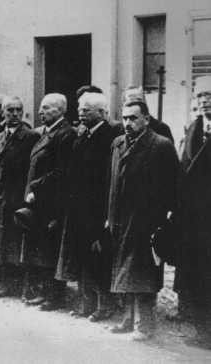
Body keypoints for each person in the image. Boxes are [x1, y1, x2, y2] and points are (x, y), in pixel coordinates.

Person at [108, 100, 179, 341]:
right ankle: (127, 320)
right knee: (123, 272)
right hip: (120, 218)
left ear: (146, 120)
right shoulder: (118, 144)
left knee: (144, 274)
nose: (128, 123)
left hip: (146, 221)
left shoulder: (161, 145)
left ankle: (145, 325)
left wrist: (163, 221)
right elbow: (113, 184)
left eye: (133, 118)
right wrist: (110, 216)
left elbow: (172, 187)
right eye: (125, 118)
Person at [55, 93, 122, 320]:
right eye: (80, 109)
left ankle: (105, 305)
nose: (81, 113)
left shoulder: (110, 137)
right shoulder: (82, 135)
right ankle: (86, 302)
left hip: (97, 208)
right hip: (78, 208)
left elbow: (107, 179)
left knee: (99, 259)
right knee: (82, 257)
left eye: (87, 110)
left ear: (102, 113)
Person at [22, 93, 76, 311]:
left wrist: (36, 187)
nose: (40, 112)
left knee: (51, 249)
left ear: (60, 110)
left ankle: (55, 296)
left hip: (53, 201)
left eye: (46, 108)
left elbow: (61, 172)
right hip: (41, 200)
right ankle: (45, 293)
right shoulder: (48, 132)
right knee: (42, 248)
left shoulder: (65, 134)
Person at [0, 96, 39, 297]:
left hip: (18, 198)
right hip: (0, 198)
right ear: (3, 113)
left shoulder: (30, 136)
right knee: (2, 243)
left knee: (19, 244)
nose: (14, 114)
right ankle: (6, 284)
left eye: (18, 110)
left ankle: (24, 287)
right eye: (10, 111)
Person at [176, 75, 211, 348]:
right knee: (197, 274)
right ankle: (202, 330)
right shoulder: (192, 129)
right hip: (193, 217)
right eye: (200, 96)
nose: (204, 100)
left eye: (209, 95)